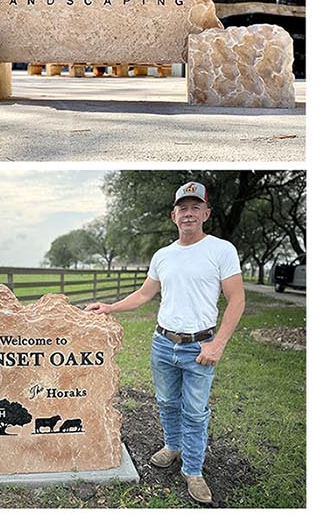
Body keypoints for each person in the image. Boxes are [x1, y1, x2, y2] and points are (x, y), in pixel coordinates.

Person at [86, 181, 245, 505]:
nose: (189, 214)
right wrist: (111, 307)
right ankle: (172, 447)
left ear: (206, 213)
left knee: (195, 412)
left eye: (195, 208)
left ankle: (193, 470)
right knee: (167, 403)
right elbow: (145, 294)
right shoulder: (163, 255)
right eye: (182, 208)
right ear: (174, 216)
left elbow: (237, 299)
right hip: (163, 344)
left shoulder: (221, 250)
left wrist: (218, 345)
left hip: (199, 347)